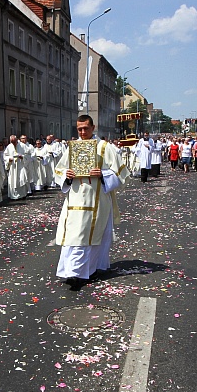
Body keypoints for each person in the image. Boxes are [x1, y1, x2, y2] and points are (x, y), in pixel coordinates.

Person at [54, 115, 130, 290]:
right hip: (74, 199)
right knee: (73, 235)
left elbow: (122, 173)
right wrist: (67, 175)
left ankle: (87, 271)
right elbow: (59, 170)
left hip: (97, 201)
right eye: (79, 129)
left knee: (89, 237)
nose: (82, 132)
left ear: (93, 127)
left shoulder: (105, 147)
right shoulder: (72, 148)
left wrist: (102, 174)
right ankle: (72, 272)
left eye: (85, 128)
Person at [3, 135, 29, 199]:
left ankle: (22, 195)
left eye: (14, 142)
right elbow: (5, 156)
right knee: (13, 180)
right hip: (13, 166)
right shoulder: (9, 147)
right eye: (12, 142)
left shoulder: (23, 146)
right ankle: (14, 196)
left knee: (22, 179)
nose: (14, 143)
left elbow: (28, 154)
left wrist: (22, 157)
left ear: (17, 140)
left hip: (21, 165)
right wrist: (9, 159)